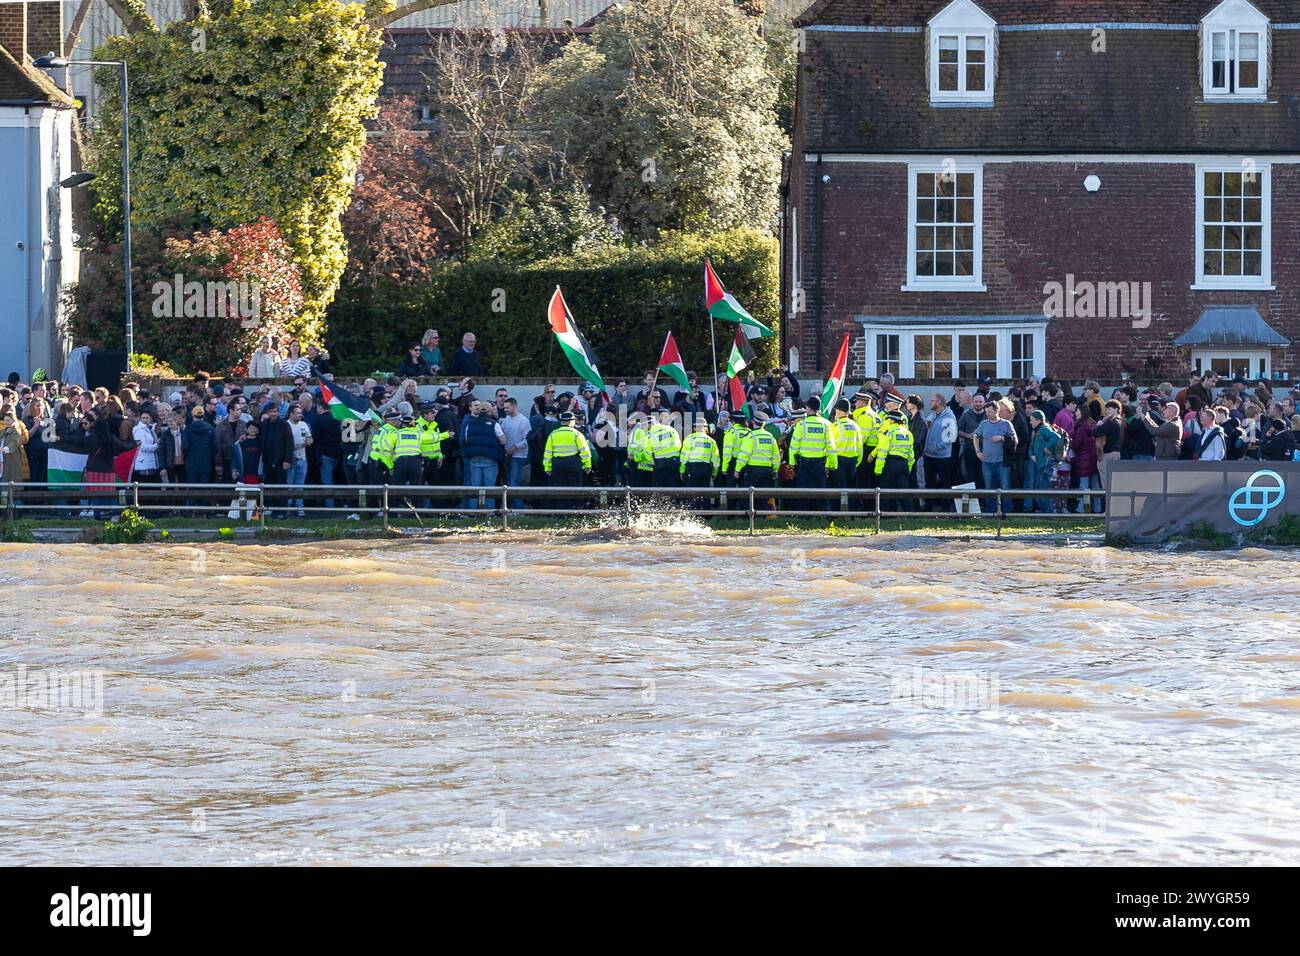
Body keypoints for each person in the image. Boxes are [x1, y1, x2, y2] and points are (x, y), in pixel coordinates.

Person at [787, 399, 836, 511]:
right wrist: (832, 465)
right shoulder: (826, 425)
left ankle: (804, 516)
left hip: (804, 464)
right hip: (820, 464)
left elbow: (793, 447)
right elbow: (831, 448)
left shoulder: (801, 425)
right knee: (821, 492)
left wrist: (791, 464)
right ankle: (822, 516)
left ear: (809, 409)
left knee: (803, 491)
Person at [459, 398, 505, 509]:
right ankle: (489, 513)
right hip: (490, 459)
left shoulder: (470, 424)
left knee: (475, 488)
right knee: (490, 488)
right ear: (489, 411)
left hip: (474, 459)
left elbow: (465, 440)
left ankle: (473, 512)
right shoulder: (494, 424)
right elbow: (503, 441)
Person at [973, 400, 1017, 514]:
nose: (987, 414)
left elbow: (1015, 440)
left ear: (996, 411)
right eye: (986, 412)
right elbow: (975, 436)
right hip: (987, 462)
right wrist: (978, 451)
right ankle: (990, 512)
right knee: (989, 489)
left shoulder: (1006, 424)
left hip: (1002, 462)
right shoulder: (984, 424)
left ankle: (1007, 512)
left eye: (989, 412)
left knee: (1005, 488)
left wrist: (1002, 438)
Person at [734, 412, 780, 508]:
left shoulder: (751, 436)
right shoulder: (770, 437)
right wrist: (775, 470)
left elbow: (744, 455)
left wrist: (737, 469)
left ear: (754, 423)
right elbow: (776, 456)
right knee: (763, 495)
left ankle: (747, 516)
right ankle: (762, 515)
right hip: (767, 470)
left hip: (753, 470)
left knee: (748, 494)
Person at [873, 407, 915, 511]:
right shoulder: (908, 433)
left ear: (891, 420)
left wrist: (878, 470)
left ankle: (884, 515)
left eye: (887, 419)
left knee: (885, 490)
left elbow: (882, 452)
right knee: (904, 492)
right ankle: (910, 514)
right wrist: (908, 468)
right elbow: (911, 455)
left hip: (891, 463)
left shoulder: (889, 432)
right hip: (904, 464)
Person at [923, 393, 956, 511]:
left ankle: (946, 507)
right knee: (929, 482)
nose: (930, 402)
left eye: (933, 401)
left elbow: (952, 436)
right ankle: (929, 506)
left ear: (939, 402)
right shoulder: (933, 415)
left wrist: (938, 447)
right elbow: (926, 423)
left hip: (942, 457)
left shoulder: (949, 417)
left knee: (944, 482)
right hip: (929, 455)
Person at [543, 411, 592, 488]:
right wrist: (587, 465)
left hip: (558, 464)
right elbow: (585, 451)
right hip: (573, 463)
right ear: (570, 422)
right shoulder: (577, 434)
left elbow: (547, 453)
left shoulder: (553, 434)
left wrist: (547, 467)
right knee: (576, 488)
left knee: (559, 489)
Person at [830, 399, 863, 509]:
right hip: (853, 460)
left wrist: (829, 464)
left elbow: (830, 447)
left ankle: (836, 513)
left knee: (837, 488)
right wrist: (857, 462)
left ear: (838, 411)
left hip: (839, 461)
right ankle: (852, 513)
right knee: (851, 488)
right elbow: (860, 446)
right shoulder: (855, 426)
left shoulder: (835, 426)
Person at [679, 418, 720, 495]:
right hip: (706, 469)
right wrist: (714, 473)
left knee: (691, 494)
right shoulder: (711, 441)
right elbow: (716, 460)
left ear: (694, 428)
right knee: (704, 495)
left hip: (692, 469)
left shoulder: (689, 439)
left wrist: (682, 471)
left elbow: (684, 457)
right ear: (706, 428)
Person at [285, 404, 313, 515]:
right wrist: (294, 446)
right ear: (291, 414)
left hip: (302, 457)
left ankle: (299, 506)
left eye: (301, 413)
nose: (300, 415)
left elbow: (309, 436)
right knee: (289, 484)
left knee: (300, 484)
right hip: (291, 458)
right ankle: (288, 506)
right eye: (297, 413)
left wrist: (309, 441)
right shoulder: (286, 425)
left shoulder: (304, 424)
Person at [647, 408, 682, 488]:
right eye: (665, 417)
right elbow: (678, 445)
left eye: (668, 417)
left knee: (659, 487)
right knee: (672, 486)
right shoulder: (672, 430)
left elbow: (648, 449)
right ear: (658, 419)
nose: (667, 419)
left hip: (660, 462)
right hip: (674, 461)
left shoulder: (652, 431)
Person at [390, 414, 424, 487]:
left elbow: (387, 447)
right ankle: (416, 498)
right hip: (415, 461)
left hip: (400, 462)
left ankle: (399, 498)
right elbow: (433, 437)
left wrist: (391, 462)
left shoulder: (396, 433)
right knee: (417, 487)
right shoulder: (418, 434)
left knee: (397, 487)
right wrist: (447, 434)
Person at [132, 410, 160, 482]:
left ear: (150, 418)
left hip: (150, 461)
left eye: (147, 418)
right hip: (144, 463)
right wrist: (157, 445)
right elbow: (142, 447)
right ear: (140, 419)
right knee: (145, 484)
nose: (145, 420)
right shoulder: (139, 430)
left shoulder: (150, 429)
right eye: (143, 418)